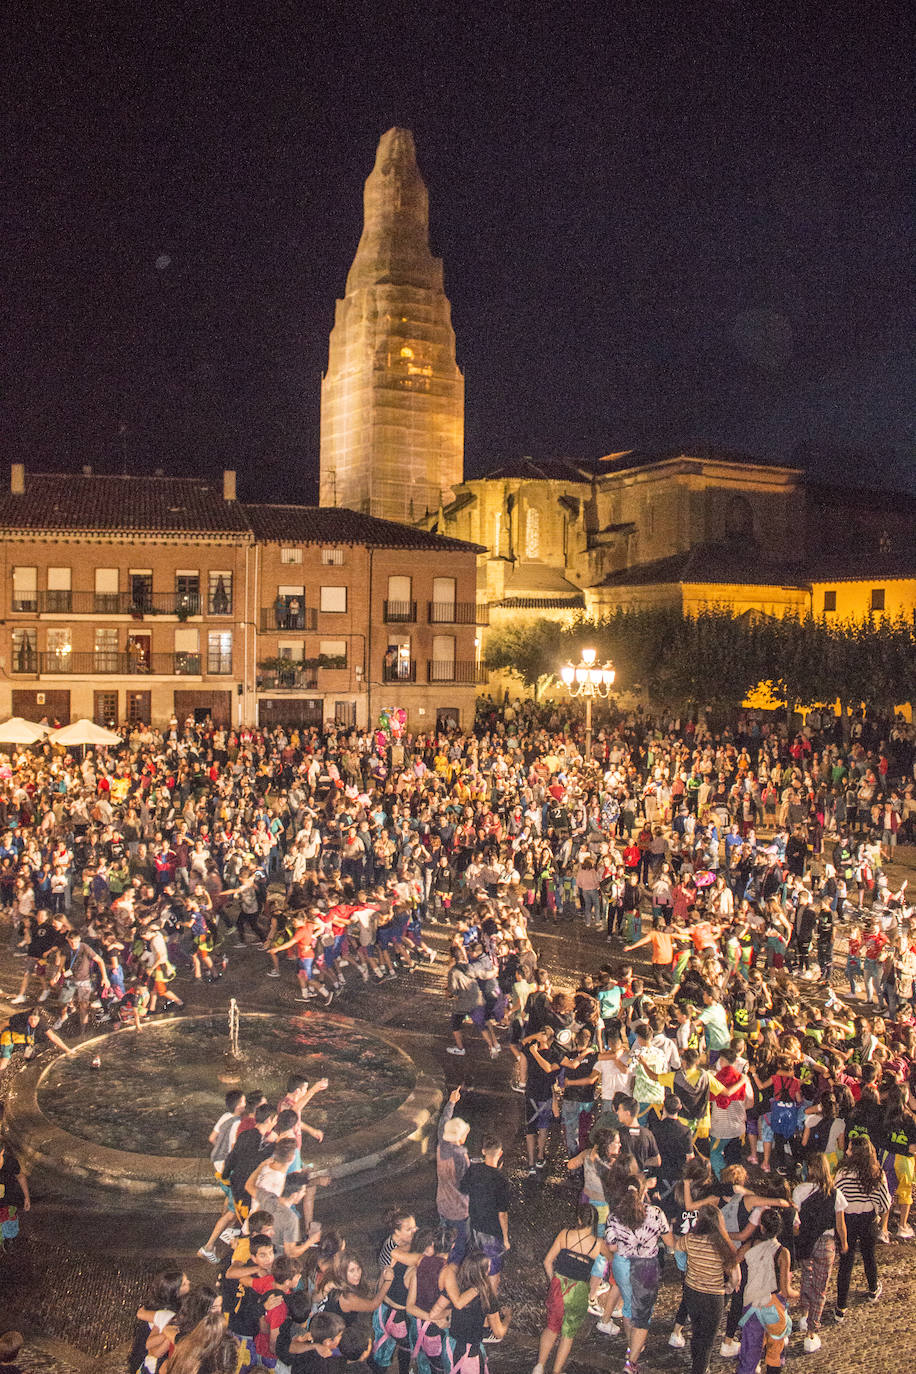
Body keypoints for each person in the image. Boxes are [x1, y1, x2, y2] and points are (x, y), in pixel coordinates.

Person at [600, 1181, 675, 1372]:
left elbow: (612, 1247)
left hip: (622, 1265)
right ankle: (631, 1363)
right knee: (642, 1315)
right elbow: (669, 1242)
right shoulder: (656, 1213)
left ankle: (630, 1346)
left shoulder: (614, 1215)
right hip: (646, 1268)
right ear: (642, 1193)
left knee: (628, 1307)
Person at [531, 1203, 606, 1374]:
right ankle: (556, 1371)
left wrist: (554, 1282)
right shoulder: (598, 1243)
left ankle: (539, 1366)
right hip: (579, 1291)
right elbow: (610, 1257)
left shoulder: (564, 1234)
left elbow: (547, 1261)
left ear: (579, 1219)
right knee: (568, 1333)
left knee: (551, 1328)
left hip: (559, 1287)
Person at [675, 1203, 739, 1374]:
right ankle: (700, 1369)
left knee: (697, 1332)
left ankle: (699, 1365)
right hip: (713, 1297)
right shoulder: (723, 1245)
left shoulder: (690, 1239)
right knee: (708, 1339)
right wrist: (730, 1287)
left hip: (692, 1292)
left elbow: (676, 1247)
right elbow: (736, 1275)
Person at [834, 1138, 892, 1320]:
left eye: (850, 1148)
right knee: (869, 1256)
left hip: (847, 1220)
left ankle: (840, 1307)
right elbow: (885, 1203)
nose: (847, 1151)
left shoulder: (842, 1174)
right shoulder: (877, 1174)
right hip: (867, 1220)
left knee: (846, 1263)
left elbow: (836, 1199)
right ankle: (873, 1289)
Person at [792, 1152, 839, 1353]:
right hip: (826, 1243)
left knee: (806, 1277)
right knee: (820, 1287)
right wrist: (844, 1243)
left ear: (810, 1169)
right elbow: (841, 1225)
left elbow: (795, 1223)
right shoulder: (835, 1193)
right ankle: (811, 1332)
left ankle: (804, 1314)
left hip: (805, 1242)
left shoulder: (799, 1191)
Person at [459, 1136, 511, 1288]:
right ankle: (491, 1305)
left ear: (483, 1151)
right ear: (500, 1153)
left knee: (476, 1266)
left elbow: (463, 1189)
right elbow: (502, 1214)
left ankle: (476, 1295)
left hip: (474, 1228)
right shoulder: (501, 1180)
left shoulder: (473, 1170)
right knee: (493, 1272)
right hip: (491, 1232)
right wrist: (506, 1239)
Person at [436, 1088, 470, 1260]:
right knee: (458, 1247)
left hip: (442, 1204)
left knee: (443, 1242)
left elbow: (443, 1122)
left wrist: (451, 1102)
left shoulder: (442, 1143)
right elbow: (466, 1184)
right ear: (461, 1137)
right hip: (458, 1210)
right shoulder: (459, 1157)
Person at [0, 1006, 71, 1074]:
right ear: (28, 1017)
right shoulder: (19, 1018)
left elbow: (53, 1037)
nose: (33, 1022)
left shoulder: (41, 1023)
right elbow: (3, 1025)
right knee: (5, 1060)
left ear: (39, 1019)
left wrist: (67, 1049)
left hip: (22, 1037)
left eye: (35, 1020)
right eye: (31, 1019)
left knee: (29, 1056)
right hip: (8, 1036)